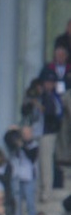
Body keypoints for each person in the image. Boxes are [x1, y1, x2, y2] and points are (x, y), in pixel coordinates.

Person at [3, 125, 38, 215]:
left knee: (30, 205)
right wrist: (12, 131)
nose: (26, 136)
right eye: (24, 133)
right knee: (17, 205)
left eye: (28, 133)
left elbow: (31, 156)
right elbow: (7, 141)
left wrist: (22, 145)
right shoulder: (15, 144)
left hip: (28, 178)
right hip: (16, 177)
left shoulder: (34, 145)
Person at [38, 68, 63, 202]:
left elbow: (56, 114)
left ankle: (46, 192)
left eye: (52, 82)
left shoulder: (54, 97)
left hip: (49, 132)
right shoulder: (38, 95)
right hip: (39, 131)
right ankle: (41, 190)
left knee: (46, 163)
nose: (49, 84)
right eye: (47, 82)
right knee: (40, 163)